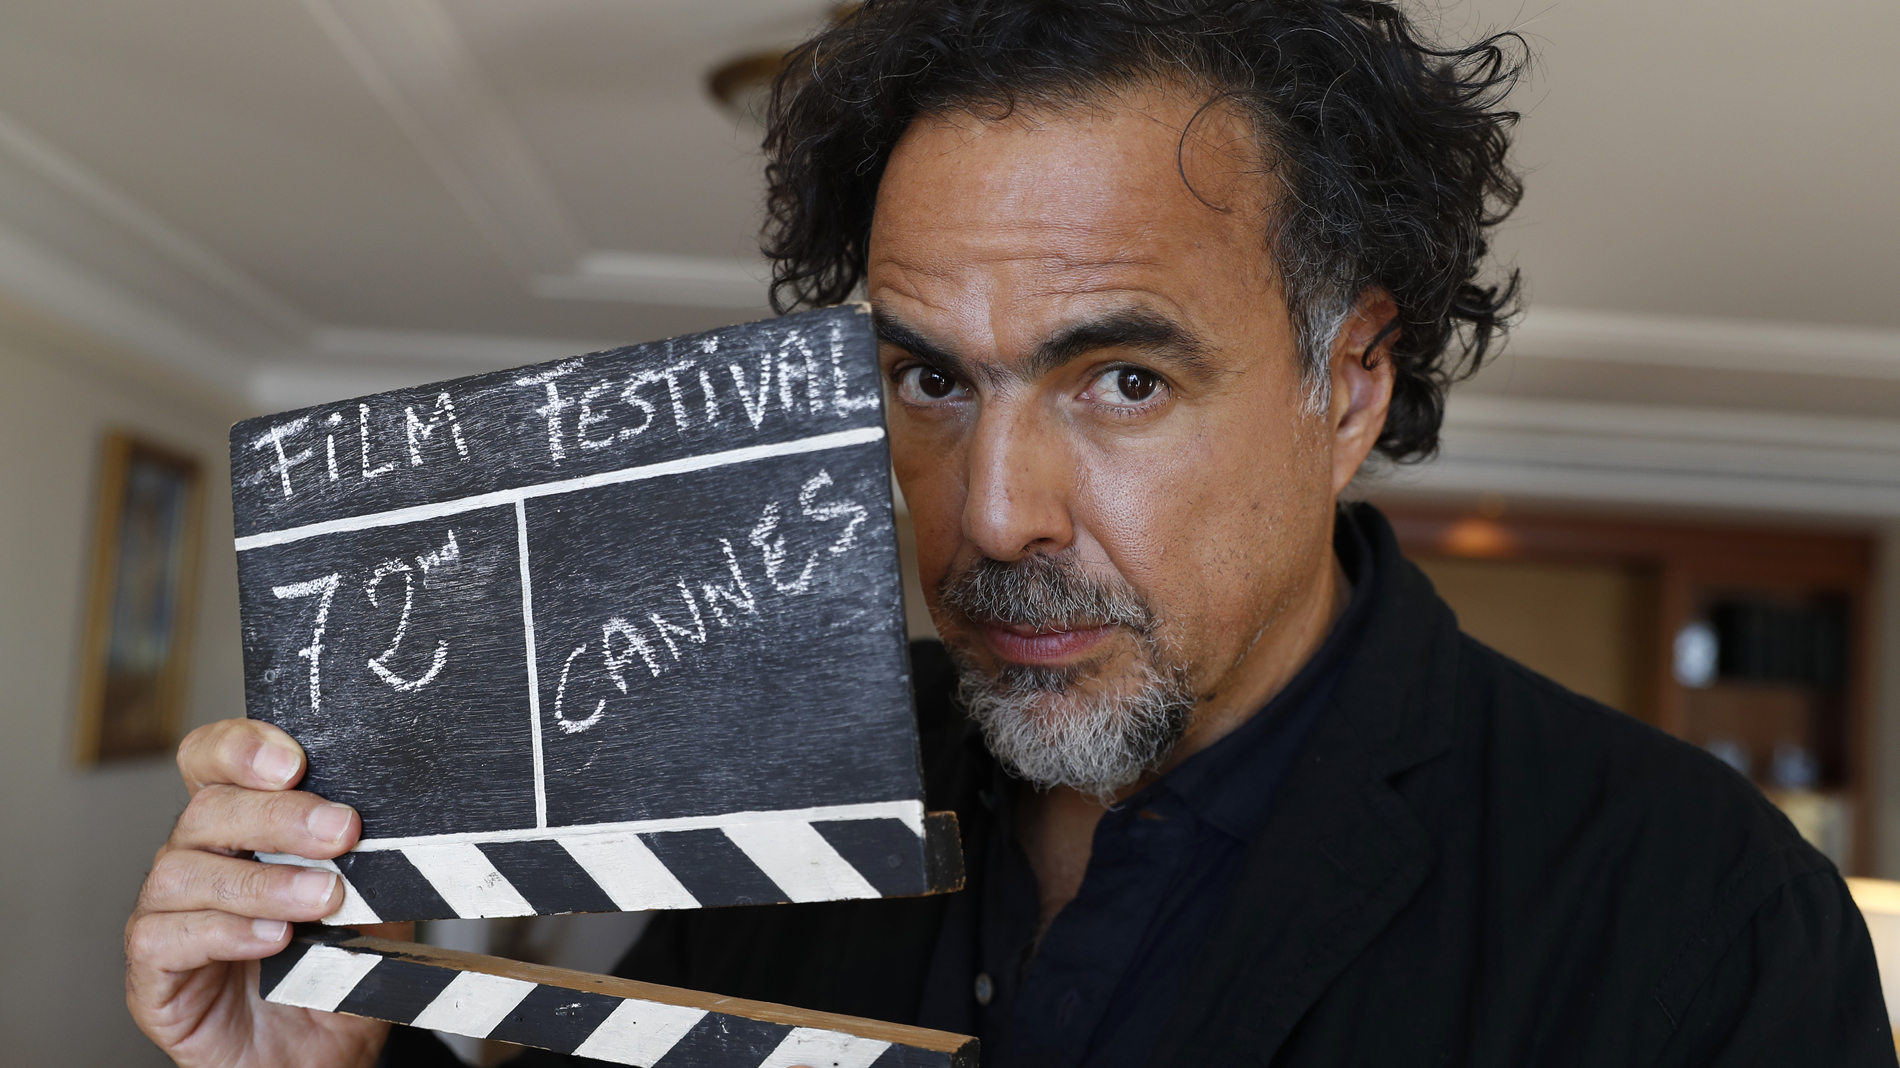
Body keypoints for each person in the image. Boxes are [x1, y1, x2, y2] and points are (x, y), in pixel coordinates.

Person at [127, 0, 1895, 1065]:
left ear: (1349, 383)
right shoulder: (774, 772)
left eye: (1122, 380)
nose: (988, 514)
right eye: (927, 380)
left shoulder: (1704, 917)